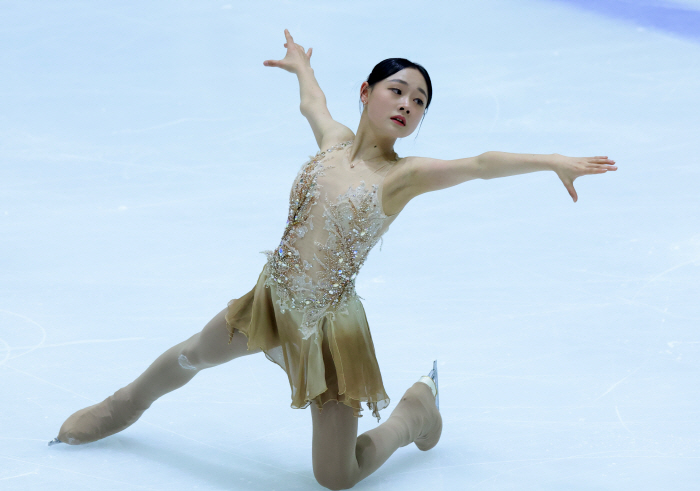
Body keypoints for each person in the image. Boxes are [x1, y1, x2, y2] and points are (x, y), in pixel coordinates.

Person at [51, 29, 617, 489]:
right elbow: (312, 103)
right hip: (270, 302)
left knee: (336, 477)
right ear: (367, 91)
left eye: (419, 102)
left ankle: (414, 412)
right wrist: (300, 65)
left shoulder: (404, 176)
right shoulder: (332, 141)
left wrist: (551, 160)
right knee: (193, 355)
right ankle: (121, 406)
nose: (408, 105)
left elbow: (481, 163)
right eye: (397, 90)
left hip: (327, 331)